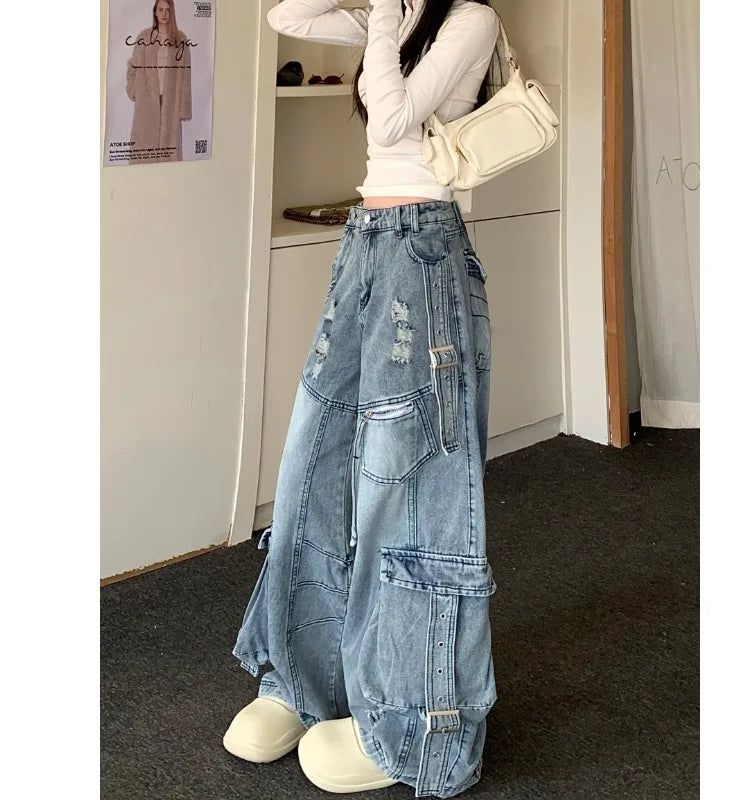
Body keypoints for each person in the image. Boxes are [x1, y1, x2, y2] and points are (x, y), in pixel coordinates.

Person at [227, 1, 501, 796]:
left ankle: (416, 728)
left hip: (425, 252)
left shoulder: (471, 19)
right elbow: (288, 14)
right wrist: (383, 9)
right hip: (367, 245)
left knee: (407, 488)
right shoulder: (402, 14)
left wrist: (381, 14)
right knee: (314, 461)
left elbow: (392, 120)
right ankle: (305, 680)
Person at [125, 0, 192, 163]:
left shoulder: (180, 39)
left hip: (171, 102)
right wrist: (135, 91)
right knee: (144, 151)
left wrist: (183, 107)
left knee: (168, 153)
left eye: (167, 10)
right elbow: (133, 67)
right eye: (160, 10)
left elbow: (185, 76)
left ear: (172, 13)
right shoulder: (144, 37)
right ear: (155, 12)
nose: (164, 14)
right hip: (147, 101)